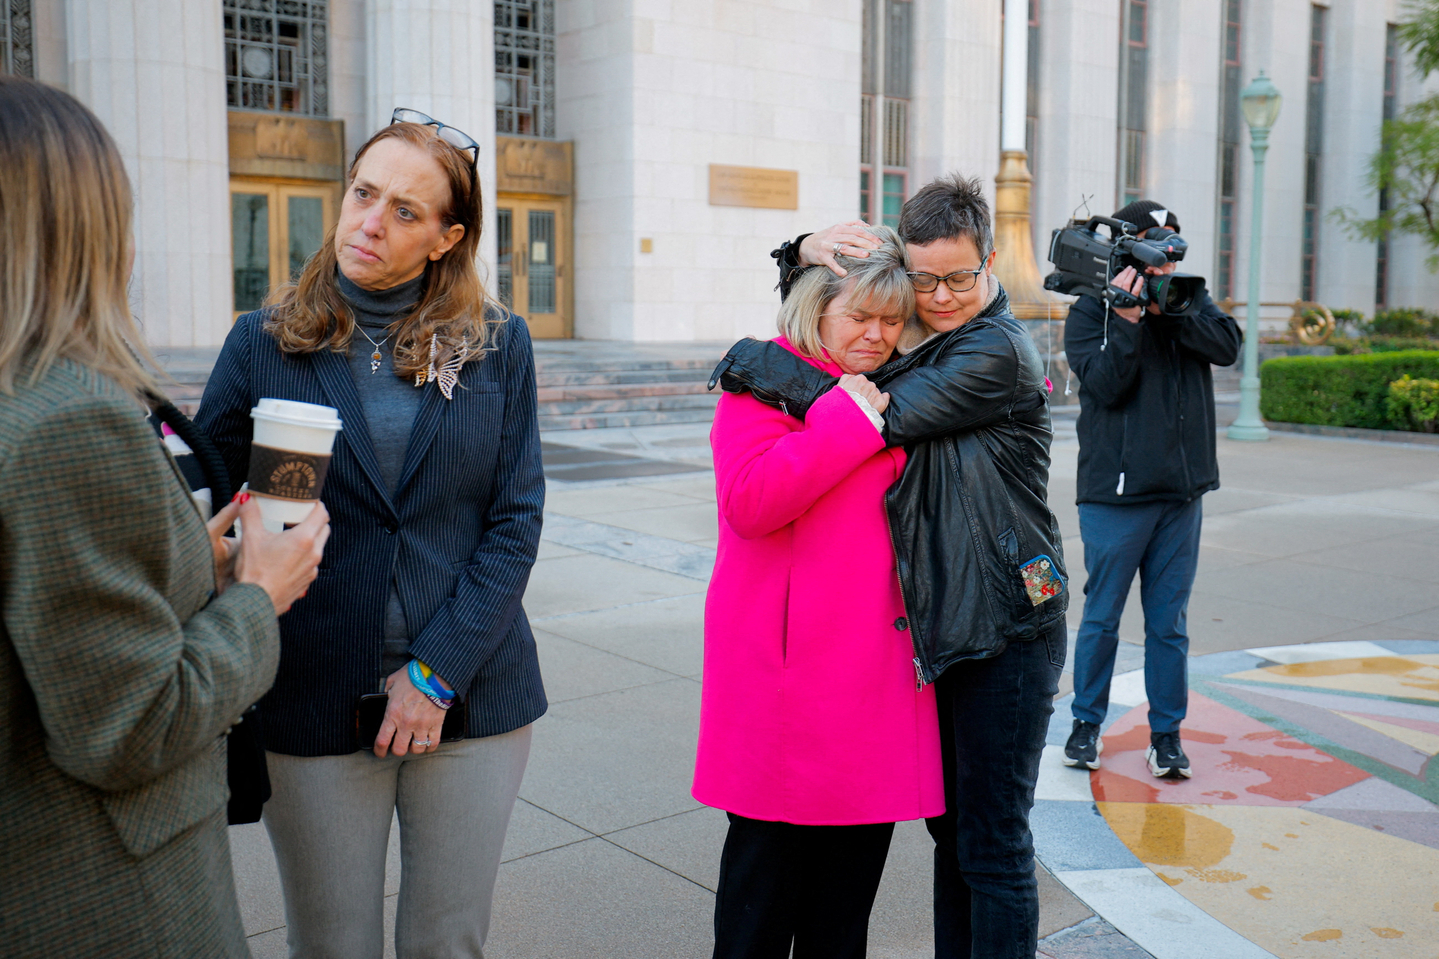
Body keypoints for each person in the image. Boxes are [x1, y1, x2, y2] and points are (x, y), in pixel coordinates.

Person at [195, 111, 546, 959]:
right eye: (363, 194)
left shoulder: (497, 345)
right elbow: (202, 499)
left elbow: (515, 519)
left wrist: (434, 673)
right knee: (330, 944)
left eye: (404, 210)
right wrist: (226, 541)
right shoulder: (263, 340)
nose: (369, 221)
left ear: (445, 238)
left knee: (446, 942)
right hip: (311, 692)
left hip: (471, 694)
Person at [0, 76, 327, 959]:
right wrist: (259, 594)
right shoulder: (67, 416)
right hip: (104, 895)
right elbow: (131, 725)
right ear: (84, 227)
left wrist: (195, 567)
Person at [713, 175, 1069, 959]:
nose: (938, 296)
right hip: (949, 621)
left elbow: (875, 409)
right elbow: (848, 321)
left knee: (991, 844)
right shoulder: (925, 328)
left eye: (960, 277)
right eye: (922, 279)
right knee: (956, 835)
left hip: (1008, 624)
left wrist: (747, 358)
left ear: (989, 263)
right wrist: (800, 253)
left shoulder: (994, 351)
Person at [695, 225, 944, 959]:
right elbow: (750, 502)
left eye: (891, 320)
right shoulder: (767, 383)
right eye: (859, 316)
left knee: (842, 920)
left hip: (874, 685)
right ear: (817, 310)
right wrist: (845, 418)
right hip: (785, 691)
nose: (875, 334)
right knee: (757, 914)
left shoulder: (906, 388)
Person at [1060, 199, 1241, 779]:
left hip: (1180, 495)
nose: (1162, 256)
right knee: (1102, 618)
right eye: (1151, 243)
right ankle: (1086, 725)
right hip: (1115, 498)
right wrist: (1130, 323)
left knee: (1169, 624)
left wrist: (1174, 309)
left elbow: (1227, 346)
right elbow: (1106, 388)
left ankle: (1167, 735)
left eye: (1171, 243)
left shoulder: (1186, 296)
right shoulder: (1092, 311)